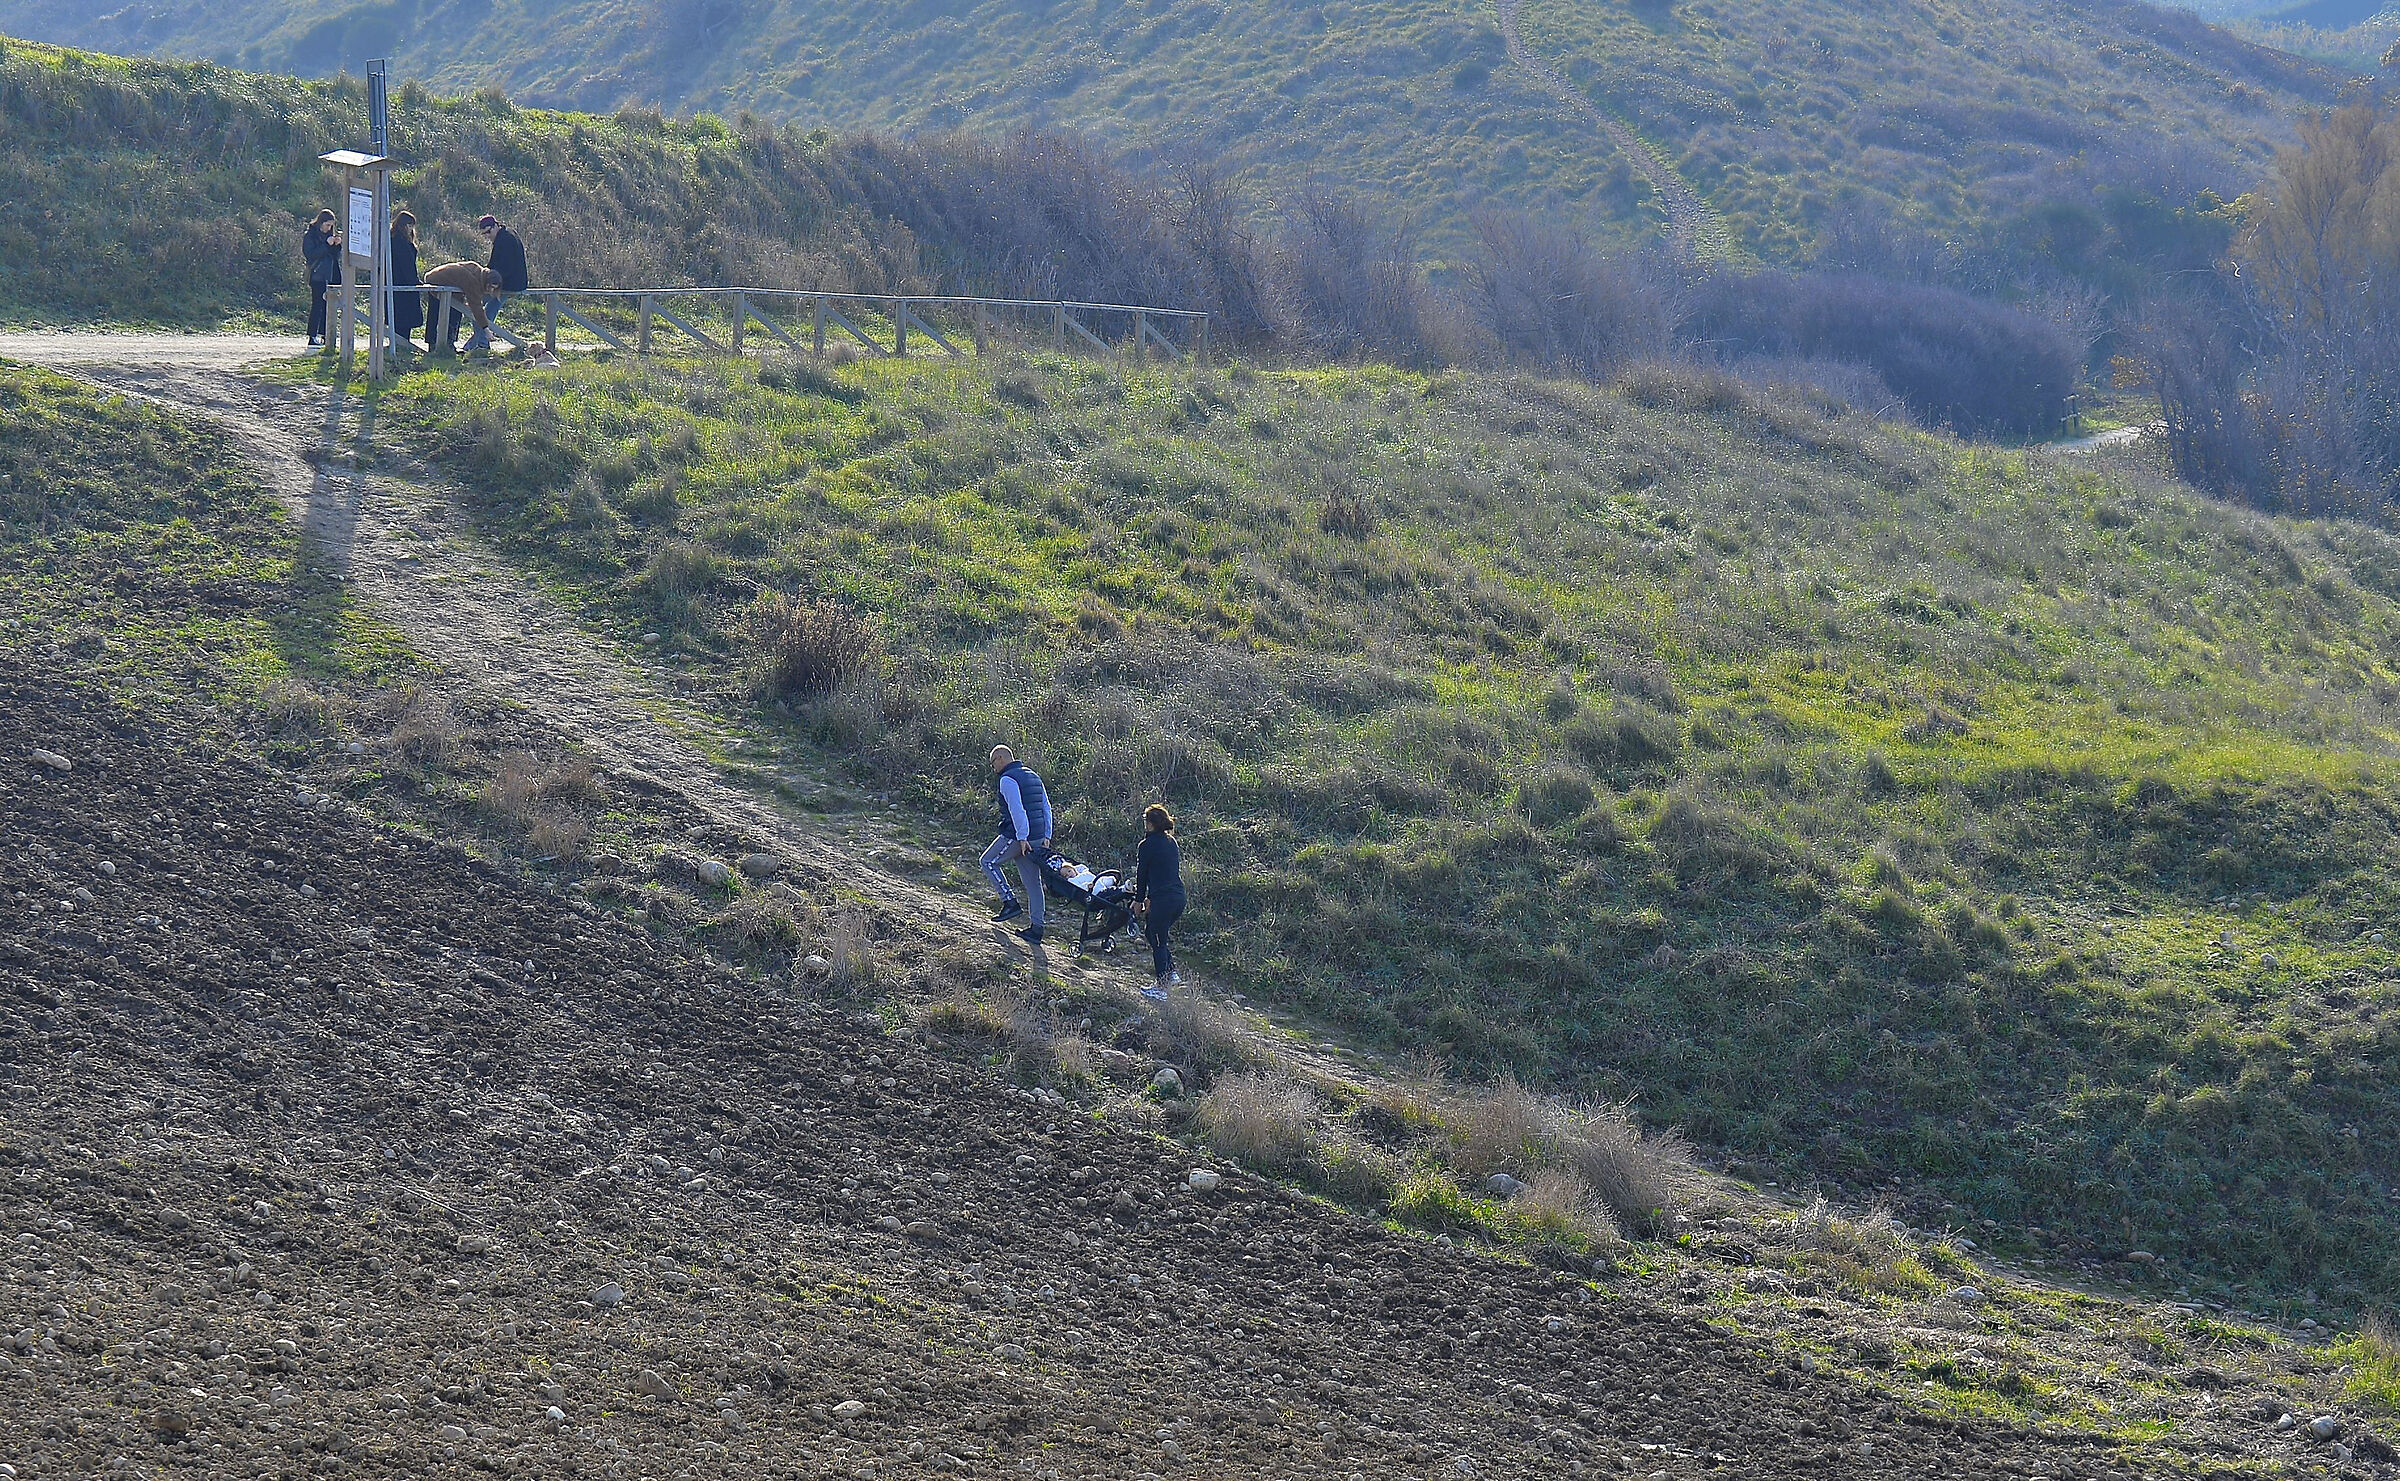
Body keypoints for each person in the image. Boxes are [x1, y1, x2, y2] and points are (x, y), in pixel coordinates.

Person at [981, 745, 1052, 943]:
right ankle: (1037, 929)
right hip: (1038, 836)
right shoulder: (1033, 775)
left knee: (987, 862)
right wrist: (1047, 834)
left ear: (1001, 759)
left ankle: (1009, 902)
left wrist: (1022, 837)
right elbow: (1046, 807)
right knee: (1033, 883)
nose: (993, 768)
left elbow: (1017, 810)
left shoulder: (1008, 779)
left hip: (1018, 836)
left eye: (993, 763)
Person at [1132, 803, 1185, 996]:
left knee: (1157, 938)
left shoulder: (1146, 845)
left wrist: (1139, 901)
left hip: (1163, 899)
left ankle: (1162, 987)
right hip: (1178, 897)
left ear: (1151, 824)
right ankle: (1171, 973)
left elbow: (1142, 875)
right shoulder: (1171, 842)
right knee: (1154, 933)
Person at [422, 261, 503, 352]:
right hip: (436, 282)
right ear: (486, 282)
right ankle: (435, 345)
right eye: (490, 287)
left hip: (449, 285)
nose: (491, 290)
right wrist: (486, 329)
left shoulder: (477, 271)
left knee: (456, 313)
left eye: (494, 288)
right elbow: (476, 307)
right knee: (436, 314)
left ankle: (449, 344)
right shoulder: (473, 281)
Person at [476, 213, 527, 337]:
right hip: (509, 281)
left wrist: (490, 282)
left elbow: (505, 267)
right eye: (484, 234)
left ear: (495, 226)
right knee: (479, 311)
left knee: (483, 314)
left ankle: (480, 344)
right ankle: (478, 344)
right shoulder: (505, 235)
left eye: (488, 232)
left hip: (509, 284)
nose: (487, 236)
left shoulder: (505, 239)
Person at [303, 209, 342, 346]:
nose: (329, 228)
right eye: (327, 225)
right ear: (320, 223)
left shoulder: (330, 235)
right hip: (317, 275)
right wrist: (326, 244)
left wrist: (337, 245)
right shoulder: (311, 235)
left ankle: (326, 335)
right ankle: (312, 335)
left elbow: (335, 256)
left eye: (331, 226)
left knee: (329, 306)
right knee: (317, 305)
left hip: (331, 274)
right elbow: (310, 254)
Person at [388, 210, 424, 351]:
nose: (411, 229)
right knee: (404, 317)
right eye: (409, 226)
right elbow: (407, 265)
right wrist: (415, 282)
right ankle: (402, 345)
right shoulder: (400, 242)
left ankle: (400, 344)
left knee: (399, 318)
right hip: (404, 284)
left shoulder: (393, 239)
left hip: (397, 283)